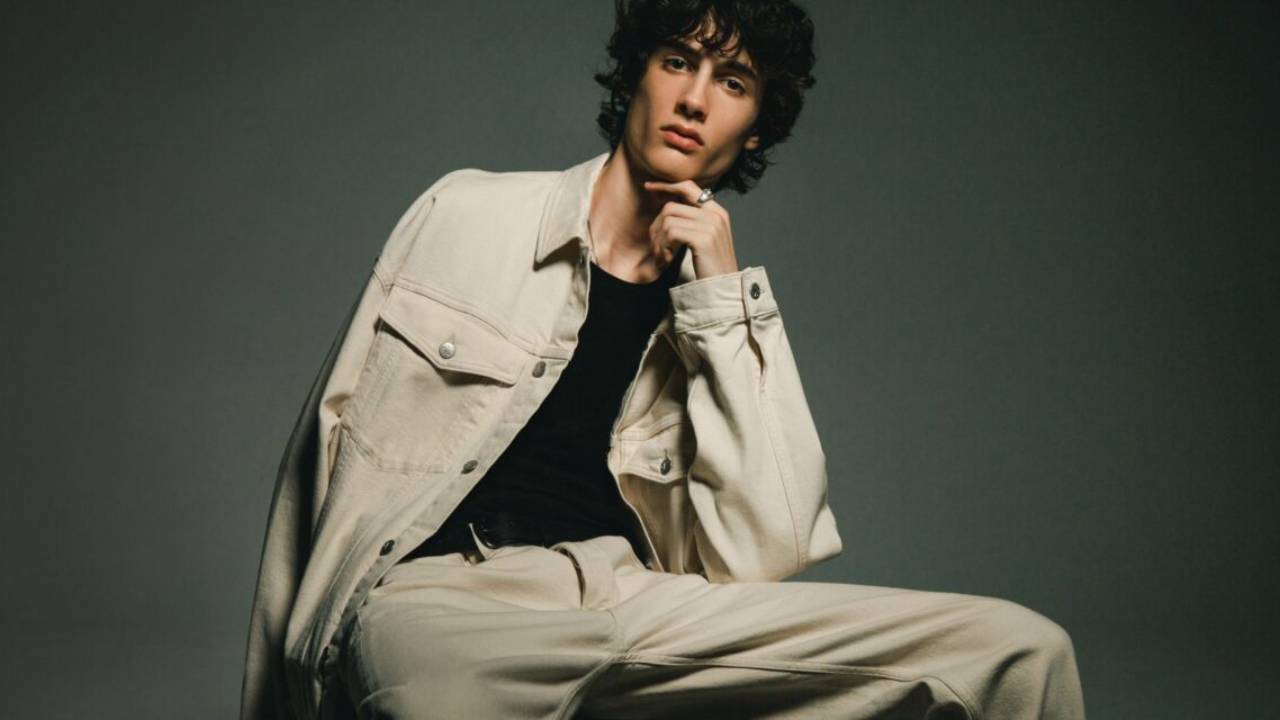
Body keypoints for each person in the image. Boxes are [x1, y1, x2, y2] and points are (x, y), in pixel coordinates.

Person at [240, 1, 1088, 718]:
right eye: (678, 61)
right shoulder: (467, 213)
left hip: (634, 601)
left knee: (1017, 651)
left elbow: (768, 551)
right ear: (635, 76)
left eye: (733, 82)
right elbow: (319, 460)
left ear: (753, 133)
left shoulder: (713, 311)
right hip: (447, 605)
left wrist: (721, 299)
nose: (694, 99)